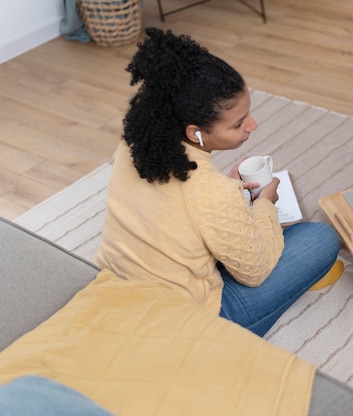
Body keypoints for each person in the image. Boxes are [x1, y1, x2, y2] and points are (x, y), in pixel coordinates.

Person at [94, 27, 340, 337]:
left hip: (122, 285)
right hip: (189, 323)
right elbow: (255, 271)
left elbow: (182, 208)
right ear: (195, 133)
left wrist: (226, 193)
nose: (253, 125)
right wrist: (265, 205)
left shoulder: (131, 148)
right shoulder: (210, 193)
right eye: (239, 123)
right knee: (319, 238)